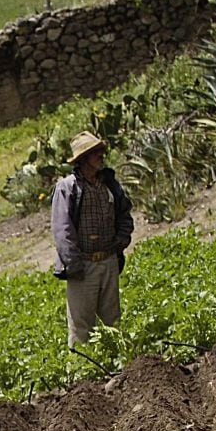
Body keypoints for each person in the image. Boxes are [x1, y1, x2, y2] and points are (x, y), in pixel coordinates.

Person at [51, 131, 134, 347]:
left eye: (101, 151)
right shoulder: (67, 188)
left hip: (108, 261)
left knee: (113, 321)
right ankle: (83, 373)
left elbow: (125, 213)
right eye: (95, 152)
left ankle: (117, 366)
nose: (100, 155)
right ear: (83, 158)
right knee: (81, 327)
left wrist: (122, 240)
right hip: (83, 265)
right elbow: (62, 230)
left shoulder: (110, 184)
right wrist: (74, 265)